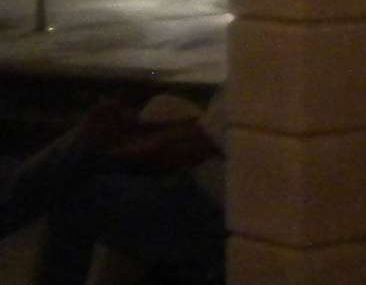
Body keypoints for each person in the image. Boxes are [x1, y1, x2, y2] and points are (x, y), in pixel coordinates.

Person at [0, 92, 225, 285]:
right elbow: (208, 130)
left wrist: (110, 147)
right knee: (159, 107)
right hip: (212, 178)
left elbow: (196, 143)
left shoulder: (247, 80)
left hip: (218, 221)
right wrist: (136, 131)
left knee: (77, 191)